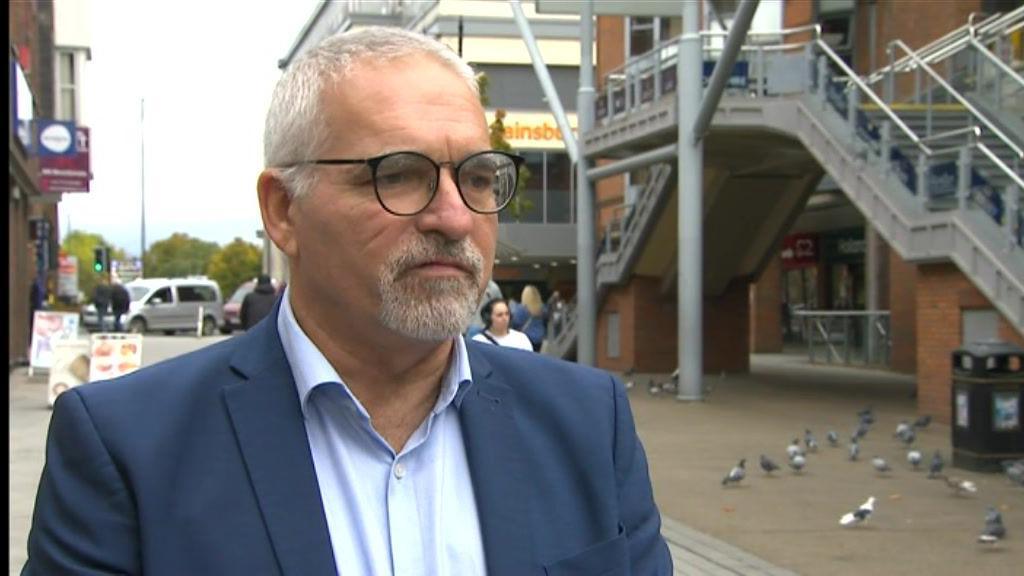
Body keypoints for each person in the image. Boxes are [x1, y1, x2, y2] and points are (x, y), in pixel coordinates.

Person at [24, 27, 671, 575]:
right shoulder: (126, 449)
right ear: (283, 212)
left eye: (477, 177)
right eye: (399, 174)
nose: (453, 216)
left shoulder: (589, 423)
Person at [511, 284, 548, 352]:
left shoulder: (521, 309)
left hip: (526, 339)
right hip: (540, 339)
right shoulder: (543, 308)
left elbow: (514, 323)